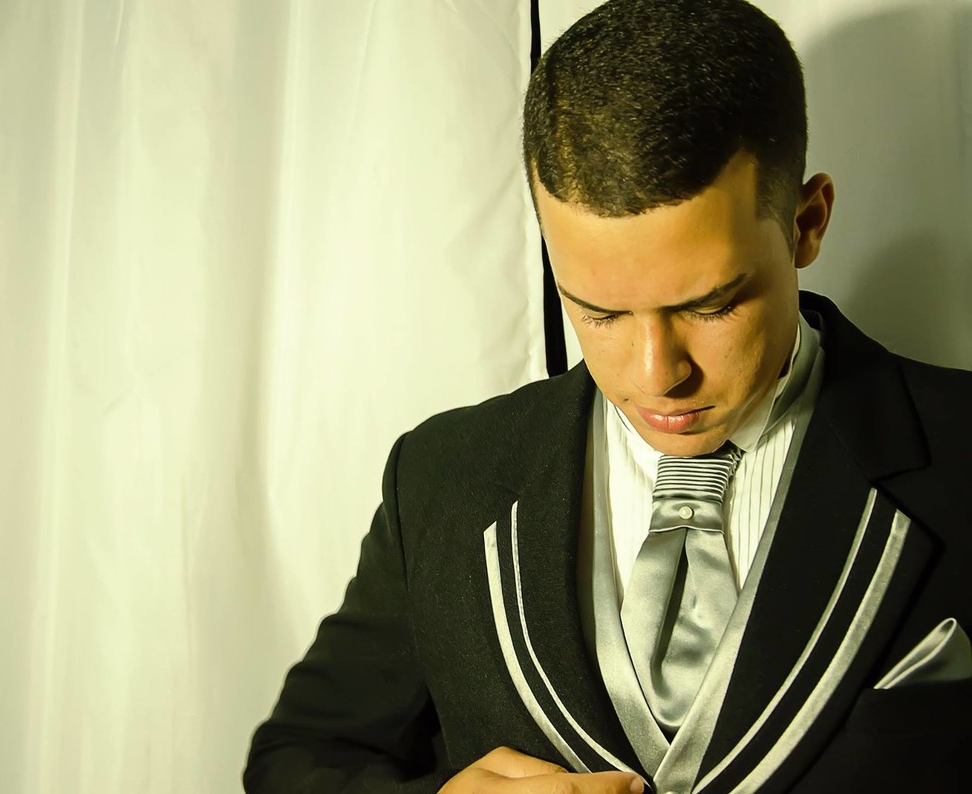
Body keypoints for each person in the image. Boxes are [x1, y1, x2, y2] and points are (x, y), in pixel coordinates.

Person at [244, 0, 972, 791]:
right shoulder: (440, 480)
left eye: (711, 306)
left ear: (807, 221)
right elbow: (297, 759)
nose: (656, 374)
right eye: (598, 312)